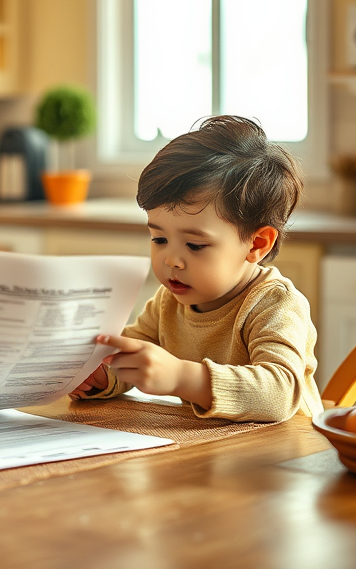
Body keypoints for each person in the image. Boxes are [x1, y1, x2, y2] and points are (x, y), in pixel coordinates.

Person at [70, 115, 322, 422]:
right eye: (159, 238)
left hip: (287, 456)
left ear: (257, 244)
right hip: (212, 453)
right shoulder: (168, 302)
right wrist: (103, 376)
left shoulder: (275, 304)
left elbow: (279, 394)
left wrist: (181, 376)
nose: (171, 259)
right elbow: (134, 358)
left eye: (195, 245)